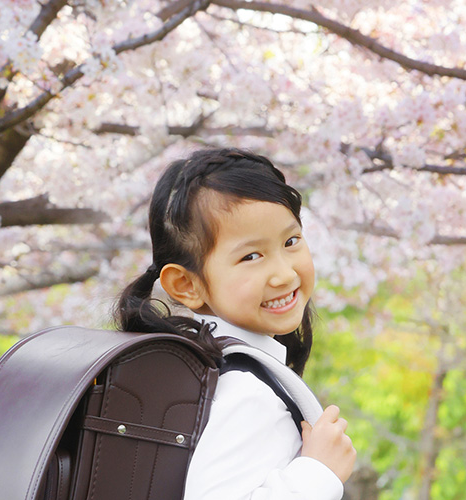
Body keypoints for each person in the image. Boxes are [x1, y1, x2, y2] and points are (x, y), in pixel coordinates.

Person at [114, 148, 356, 500]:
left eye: (291, 241)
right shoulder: (247, 394)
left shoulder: (202, 368)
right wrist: (319, 472)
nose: (285, 274)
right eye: (251, 256)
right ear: (186, 285)